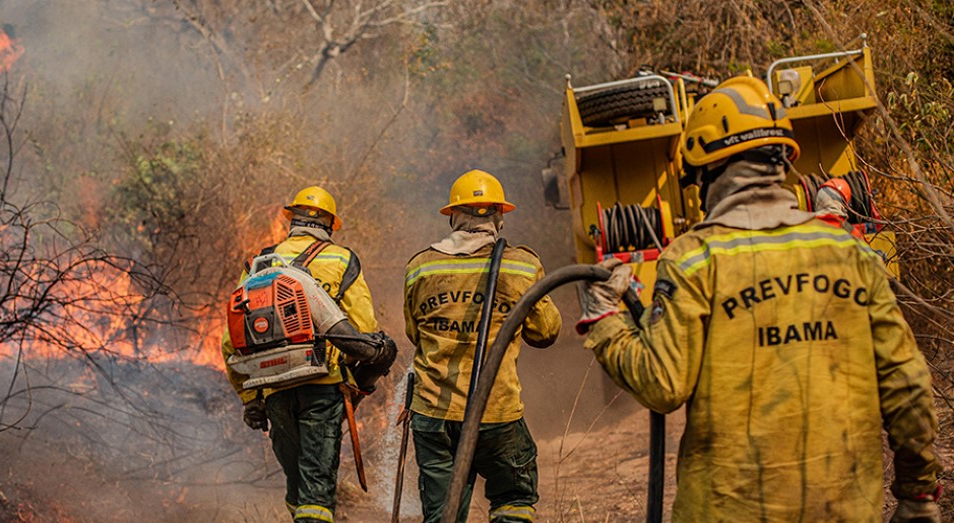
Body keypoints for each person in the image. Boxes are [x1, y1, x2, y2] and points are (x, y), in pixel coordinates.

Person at [576, 76, 943, 522]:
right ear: (784, 159)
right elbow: (907, 385)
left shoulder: (694, 261)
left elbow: (661, 386)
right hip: (845, 509)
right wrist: (918, 496)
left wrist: (605, 318)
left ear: (705, 170)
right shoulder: (852, 255)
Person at [221, 185, 393, 523]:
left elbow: (232, 342)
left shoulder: (258, 265)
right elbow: (363, 329)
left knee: (296, 484)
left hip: (273, 389)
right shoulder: (342, 259)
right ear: (329, 225)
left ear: (291, 221)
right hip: (322, 385)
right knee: (316, 490)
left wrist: (249, 398)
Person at [403, 169, 562, 523]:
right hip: (495, 411)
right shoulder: (521, 265)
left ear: (453, 216)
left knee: (442, 513)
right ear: (499, 217)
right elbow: (547, 332)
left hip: (434, 414)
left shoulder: (420, 268)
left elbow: (414, 333)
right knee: (514, 498)